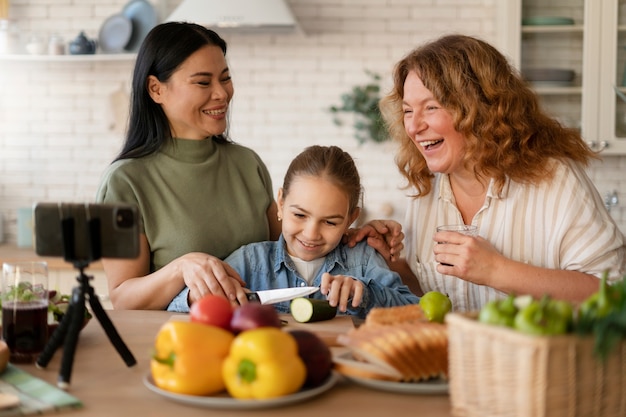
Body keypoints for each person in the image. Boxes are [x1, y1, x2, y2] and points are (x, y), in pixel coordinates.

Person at [96, 22, 403, 310]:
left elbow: (291, 247)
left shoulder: (246, 163)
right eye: (203, 82)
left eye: (225, 78)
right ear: (156, 89)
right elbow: (122, 296)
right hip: (179, 340)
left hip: (254, 335)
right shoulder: (124, 181)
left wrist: (353, 235)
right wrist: (182, 266)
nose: (222, 93)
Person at [376, 34, 626, 312]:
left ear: (480, 108)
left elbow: (612, 293)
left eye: (431, 107)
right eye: (408, 111)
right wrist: (388, 262)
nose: (413, 127)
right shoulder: (426, 188)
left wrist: (497, 270)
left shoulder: (555, 179)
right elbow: (430, 295)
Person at [168, 145, 420, 316]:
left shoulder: (363, 259)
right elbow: (175, 307)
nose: (311, 234)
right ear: (280, 203)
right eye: (299, 215)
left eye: (330, 222)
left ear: (351, 219)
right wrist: (199, 297)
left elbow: (416, 311)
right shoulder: (249, 260)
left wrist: (365, 294)